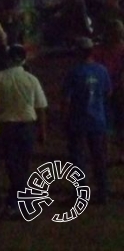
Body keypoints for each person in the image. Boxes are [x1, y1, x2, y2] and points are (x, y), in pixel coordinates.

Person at [0, 44, 48, 217]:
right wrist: (42, 131)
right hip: (27, 126)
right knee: (22, 165)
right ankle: (20, 203)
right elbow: (41, 107)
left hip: (7, 126)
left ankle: (17, 202)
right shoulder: (31, 79)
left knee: (13, 166)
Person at [62, 36, 112, 204]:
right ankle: (103, 192)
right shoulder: (102, 70)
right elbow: (107, 93)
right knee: (99, 158)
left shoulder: (74, 72)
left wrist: (65, 119)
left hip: (78, 121)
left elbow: (66, 100)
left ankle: (80, 193)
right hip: (98, 120)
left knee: (78, 158)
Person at [95, 20, 124, 164]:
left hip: (105, 91)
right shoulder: (121, 49)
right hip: (117, 90)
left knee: (105, 123)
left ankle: (105, 154)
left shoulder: (99, 50)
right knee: (118, 124)